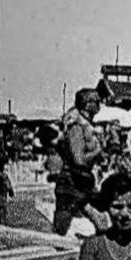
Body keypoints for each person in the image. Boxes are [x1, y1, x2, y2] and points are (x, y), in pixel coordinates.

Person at [53, 89, 110, 236]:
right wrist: (97, 152)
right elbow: (79, 159)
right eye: (96, 102)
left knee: (102, 222)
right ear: (86, 104)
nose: (100, 105)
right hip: (71, 181)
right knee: (59, 232)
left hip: (83, 181)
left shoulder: (87, 125)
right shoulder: (76, 126)